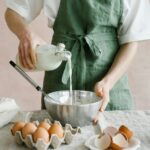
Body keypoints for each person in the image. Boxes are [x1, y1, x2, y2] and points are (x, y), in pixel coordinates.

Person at [5, 0, 150, 123]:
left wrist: (107, 82)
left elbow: (131, 41)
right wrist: (26, 34)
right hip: (60, 87)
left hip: (111, 85)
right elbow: (13, 12)